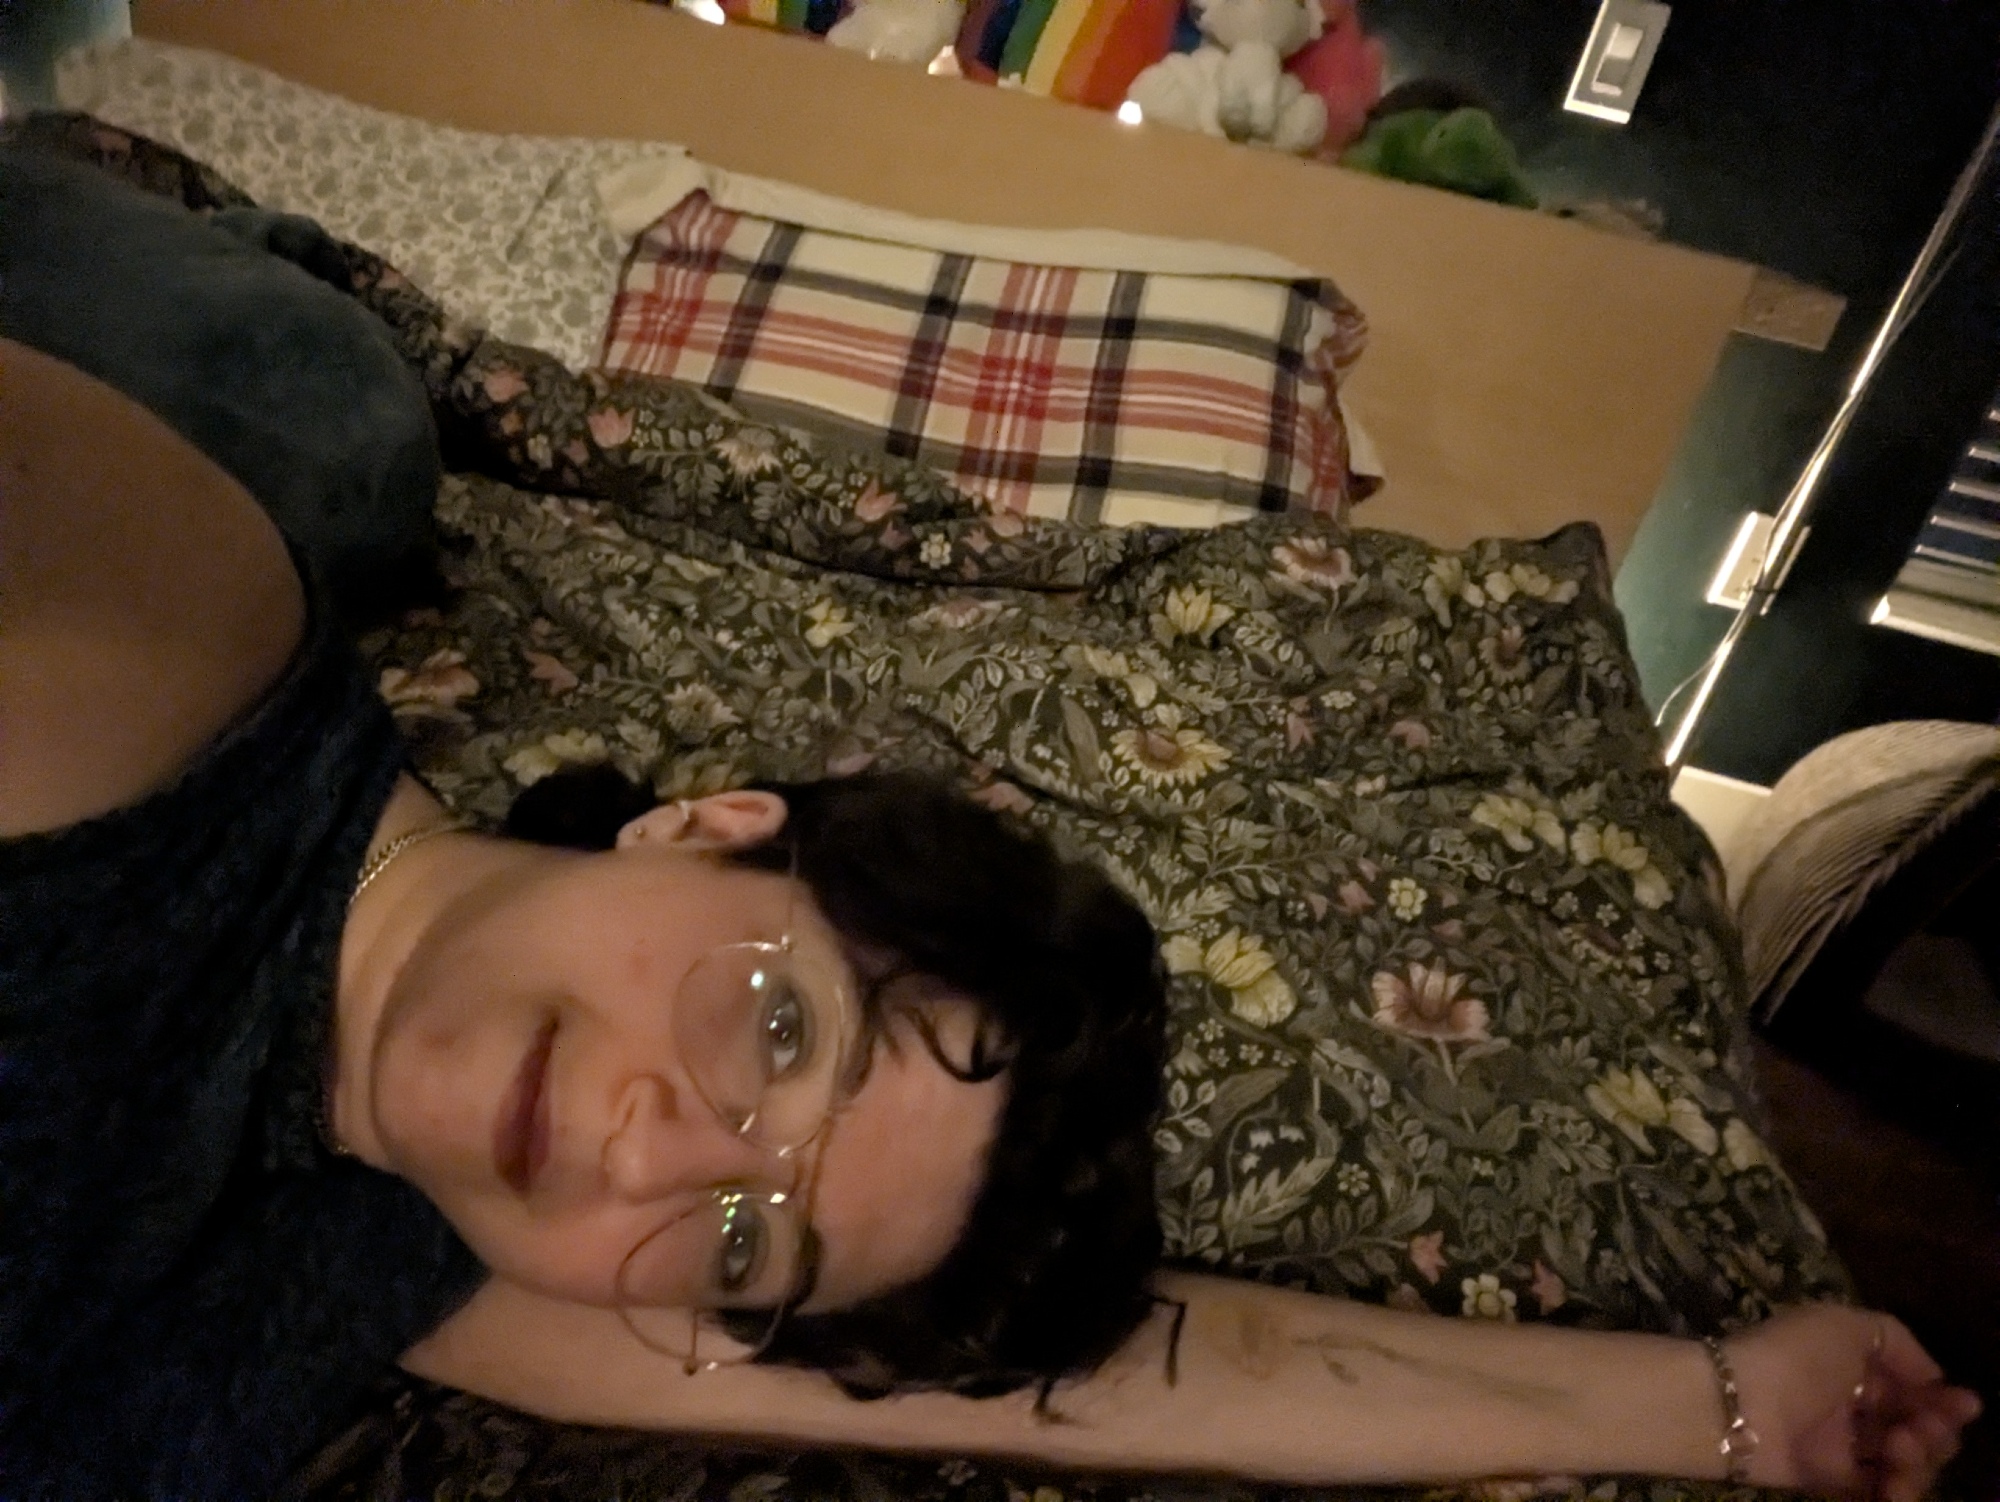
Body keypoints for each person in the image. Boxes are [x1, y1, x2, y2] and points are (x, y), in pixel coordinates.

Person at [0, 150, 1980, 1502]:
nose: (666, 1152)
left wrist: (1724, 1408)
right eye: (780, 1024)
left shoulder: (389, 1264)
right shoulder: (174, 656)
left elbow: (1111, 1383)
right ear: (704, 827)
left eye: (751, 1238)